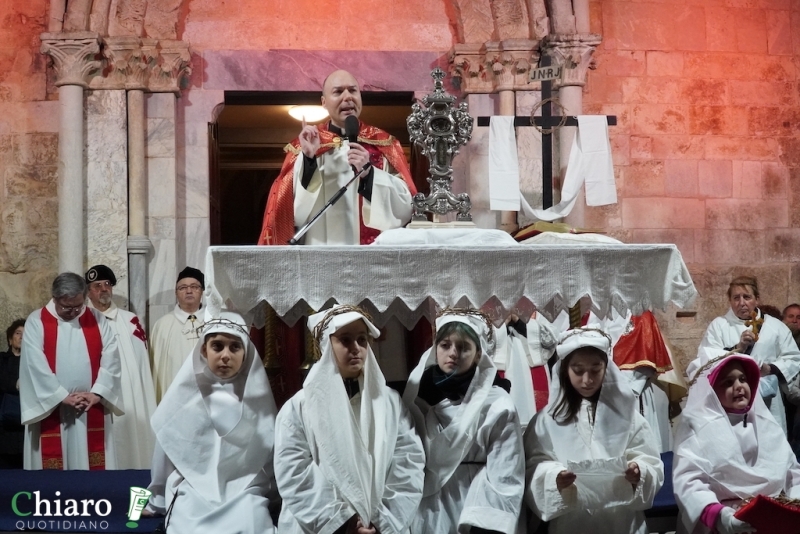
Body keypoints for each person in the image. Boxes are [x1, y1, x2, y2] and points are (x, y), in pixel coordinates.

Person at [274, 305, 425, 534]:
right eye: (345, 340)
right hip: (323, 525)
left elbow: (408, 461)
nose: (356, 348)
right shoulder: (299, 407)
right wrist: (342, 522)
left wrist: (382, 519)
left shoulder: (391, 402)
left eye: (362, 340)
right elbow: (294, 471)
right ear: (326, 346)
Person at [145, 311, 279, 533]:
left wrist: (271, 494)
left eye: (234, 347)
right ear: (204, 350)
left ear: (246, 354)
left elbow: (268, 453)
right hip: (193, 486)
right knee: (189, 525)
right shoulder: (185, 395)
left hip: (244, 488)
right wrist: (157, 498)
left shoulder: (256, 398)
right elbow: (168, 446)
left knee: (250, 523)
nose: (225, 355)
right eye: (217, 346)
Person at [524, 327, 664, 534]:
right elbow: (533, 464)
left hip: (621, 520)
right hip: (572, 522)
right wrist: (554, 478)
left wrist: (639, 472)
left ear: (606, 369)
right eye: (578, 371)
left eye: (596, 370)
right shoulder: (546, 420)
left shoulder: (629, 417)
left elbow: (650, 460)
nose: (587, 380)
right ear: (565, 370)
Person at [258, 69, 417, 246]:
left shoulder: (383, 143)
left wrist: (370, 175)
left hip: (369, 258)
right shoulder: (305, 145)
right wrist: (309, 160)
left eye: (353, 90)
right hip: (319, 255)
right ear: (324, 103)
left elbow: (406, 206)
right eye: (338, 91)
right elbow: (289, 212)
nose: (347, 97)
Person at [403, 308, 525, 534]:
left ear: (479, 354)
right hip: (428, 509)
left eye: (463, 347)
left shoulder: (498, 405)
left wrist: (485, 523)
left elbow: (506, 473)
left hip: (474, 506)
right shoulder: (415, 398)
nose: (453, 353)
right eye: (445, 345)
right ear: (435, 349)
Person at [672, 354, 800, 534]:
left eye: (743, 379)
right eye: (728, 382)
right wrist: (720, 517)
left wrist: (795, 501)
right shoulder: (697, 424)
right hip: (723, 522)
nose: (739, 386)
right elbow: (689, 482)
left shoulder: (765, 422)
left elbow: (792, 471)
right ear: (712, 390)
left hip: (772, 518)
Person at [19, 272, 123, 469]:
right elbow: (34, 365)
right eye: (67, 307)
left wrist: (97, 393)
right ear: (55, 298)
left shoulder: (97, 319)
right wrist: (60, 396)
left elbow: (111, 359)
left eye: (79, 306)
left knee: (93, 470)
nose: (74, 312)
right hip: (51, 407)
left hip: (90, 407)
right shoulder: (37, 321)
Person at [690, 276, 800, 436]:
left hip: (767, 401)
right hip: (731, 399)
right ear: (729, 300)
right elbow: (706, 359)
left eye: (747, 297)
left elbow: (793, 357)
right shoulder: (719, 326)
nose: (741, 303)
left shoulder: (775, 326)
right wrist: (738, 348)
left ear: (757, 299)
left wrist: (770, 368)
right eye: (736, 298)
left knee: (768, 445)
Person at [84, 265, 156, 468]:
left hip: (130, 396)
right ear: (88, 292)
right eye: (97, 286)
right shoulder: (83, 322)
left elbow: (140, 364)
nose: (103, 289)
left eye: (107, 284)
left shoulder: (129, 320)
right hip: (99, 395)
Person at [150, 266, 206, 403]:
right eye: (183, 288)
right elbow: (155, 369)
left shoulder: (214, 323)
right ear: (176, 293)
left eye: (194, 287)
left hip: (208, 393)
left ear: (202, 291)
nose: (188, 291)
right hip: (174, 397)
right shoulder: (162, 325)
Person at [0, 319, 25, 468]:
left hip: (26, 425)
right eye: (18, 333)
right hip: (4, 426)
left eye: (26, 334)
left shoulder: (36, 363)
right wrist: (17, 383)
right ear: (10, 339)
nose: (22, 337)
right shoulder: (2, 359)